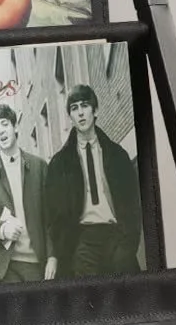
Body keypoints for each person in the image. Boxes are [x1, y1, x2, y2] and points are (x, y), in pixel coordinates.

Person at [45, 84, 143, 277]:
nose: (80, 113)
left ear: (95, 110)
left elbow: (133, 205)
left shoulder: (117, 155)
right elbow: (54, 215)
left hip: (117, 237)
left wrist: (128, 246)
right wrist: (57, 254)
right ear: (70, 117)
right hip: (83, 240)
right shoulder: (60, 164)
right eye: (74, 108)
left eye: (85, 106)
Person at [0, 102, 52, 283]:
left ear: (15, 127)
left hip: (38, 264)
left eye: (5, 124)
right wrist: (1, 229)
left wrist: (52, 257)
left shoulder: (39, 167)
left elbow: (50, 219)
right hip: (5, 267)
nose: (1, 131)